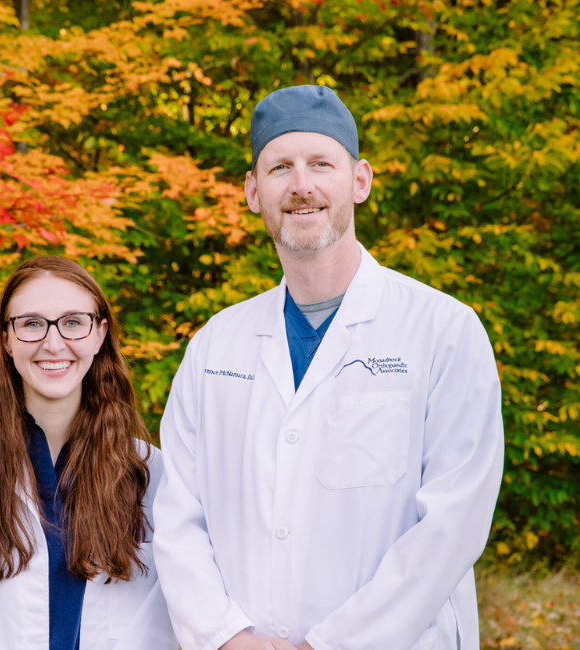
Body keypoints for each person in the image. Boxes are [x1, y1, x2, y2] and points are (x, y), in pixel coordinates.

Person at [152, 85, 505, 650]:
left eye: (321, 164)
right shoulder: (216, 347)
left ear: (359, 180)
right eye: (279, 168)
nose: (301, 185)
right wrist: (227, 636)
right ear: (252, 191)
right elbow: (176, 515)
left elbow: (451, 527)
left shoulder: (444, 332)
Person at [0, 256, 177, 650]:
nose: (53, 343)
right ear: (6, 339)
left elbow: (159, 618)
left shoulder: (150, 471)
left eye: (72, 322)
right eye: (32, 324)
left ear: (99, 334)